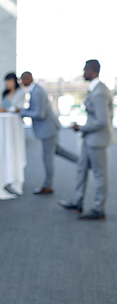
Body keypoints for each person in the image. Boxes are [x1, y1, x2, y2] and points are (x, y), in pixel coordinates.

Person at [59, 60, 115, 220]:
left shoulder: (100, 92)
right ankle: (77, 201)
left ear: (92, 70)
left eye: (85, 70)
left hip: (97, 140)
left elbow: (102, 121)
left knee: (100, 174)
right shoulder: (95, 89)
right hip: (89, 138)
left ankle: (99, 209)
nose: (83, 73)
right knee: (81, 169)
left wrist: (81, 128)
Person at [20, 71, 78, 195]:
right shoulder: (35, 90)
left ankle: (48, 185)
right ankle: (83, 161)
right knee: (58, 151)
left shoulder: (37, 91)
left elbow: (39, 114)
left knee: (47, 157)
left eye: (22, 79)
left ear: (27, 79)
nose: (21, 82)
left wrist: (22, 113)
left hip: (48, 129)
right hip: (49, 128)